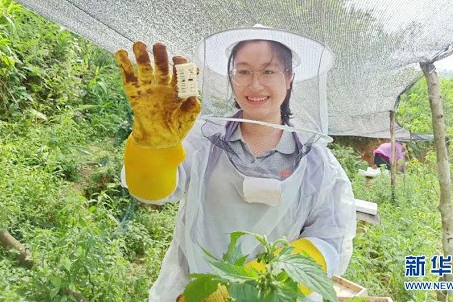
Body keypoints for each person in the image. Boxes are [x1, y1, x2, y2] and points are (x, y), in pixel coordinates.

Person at [115, 26, 356, 302]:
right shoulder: (201, 139)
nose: (255, 85)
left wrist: (248, 286)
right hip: (193, 292)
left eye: (268, 71)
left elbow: (329, 242)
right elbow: (150, 192)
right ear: (232, 78)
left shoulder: (318, 162)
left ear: (289, 77)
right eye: (243, 71)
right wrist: (152, 146)